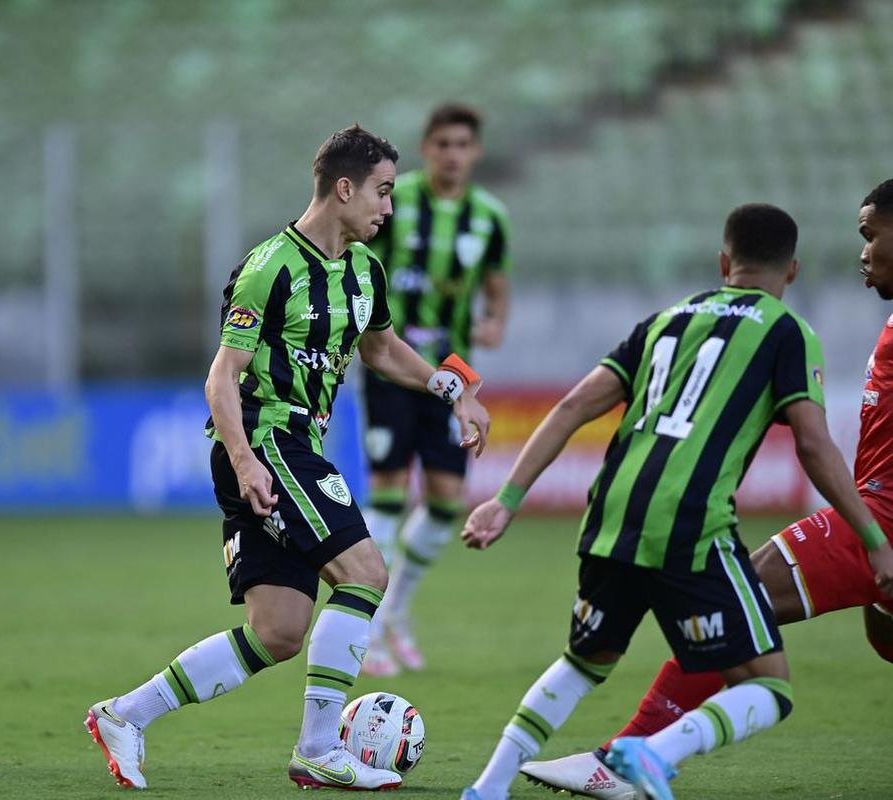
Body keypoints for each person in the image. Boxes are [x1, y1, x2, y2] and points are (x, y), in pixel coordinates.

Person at [84, 125, 491, 791]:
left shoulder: (365, 271)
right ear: (343, 188)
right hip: (268, 442)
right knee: (365, 574)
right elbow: (221, 378)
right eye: (381, 192)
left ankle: (125, 715)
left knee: (277, 631)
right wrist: (245, 462)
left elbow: (382, 351)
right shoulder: (270, 266)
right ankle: (317, 748)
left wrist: (455, 391)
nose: (388, 207)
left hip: (292, 449)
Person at [457, 203, 893, 800]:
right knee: (769, 683)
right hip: (694, 525)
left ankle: (487, 788)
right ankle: (648, 752)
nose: (863, 251)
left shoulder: (668, 317)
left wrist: (505, 499)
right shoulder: (787, 330)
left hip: (610, 516)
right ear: (791, 271)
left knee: (584, 662)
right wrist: (873, 538)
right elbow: (813, 445)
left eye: (871, 236)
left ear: (722, 261)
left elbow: (573, 406)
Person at [361, 103, 513, 676]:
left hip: (455, 376)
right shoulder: (394, 201)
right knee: (389, 494)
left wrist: (496, 320)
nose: (453, 154)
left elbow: (497, 288)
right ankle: (371, 627)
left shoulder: (488, 217)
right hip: (392, 364)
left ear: (475, 152)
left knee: (447, 501)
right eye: (443, 144)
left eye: (463, 145)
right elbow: (360, 262)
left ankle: (395, 608)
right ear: (427, 147)